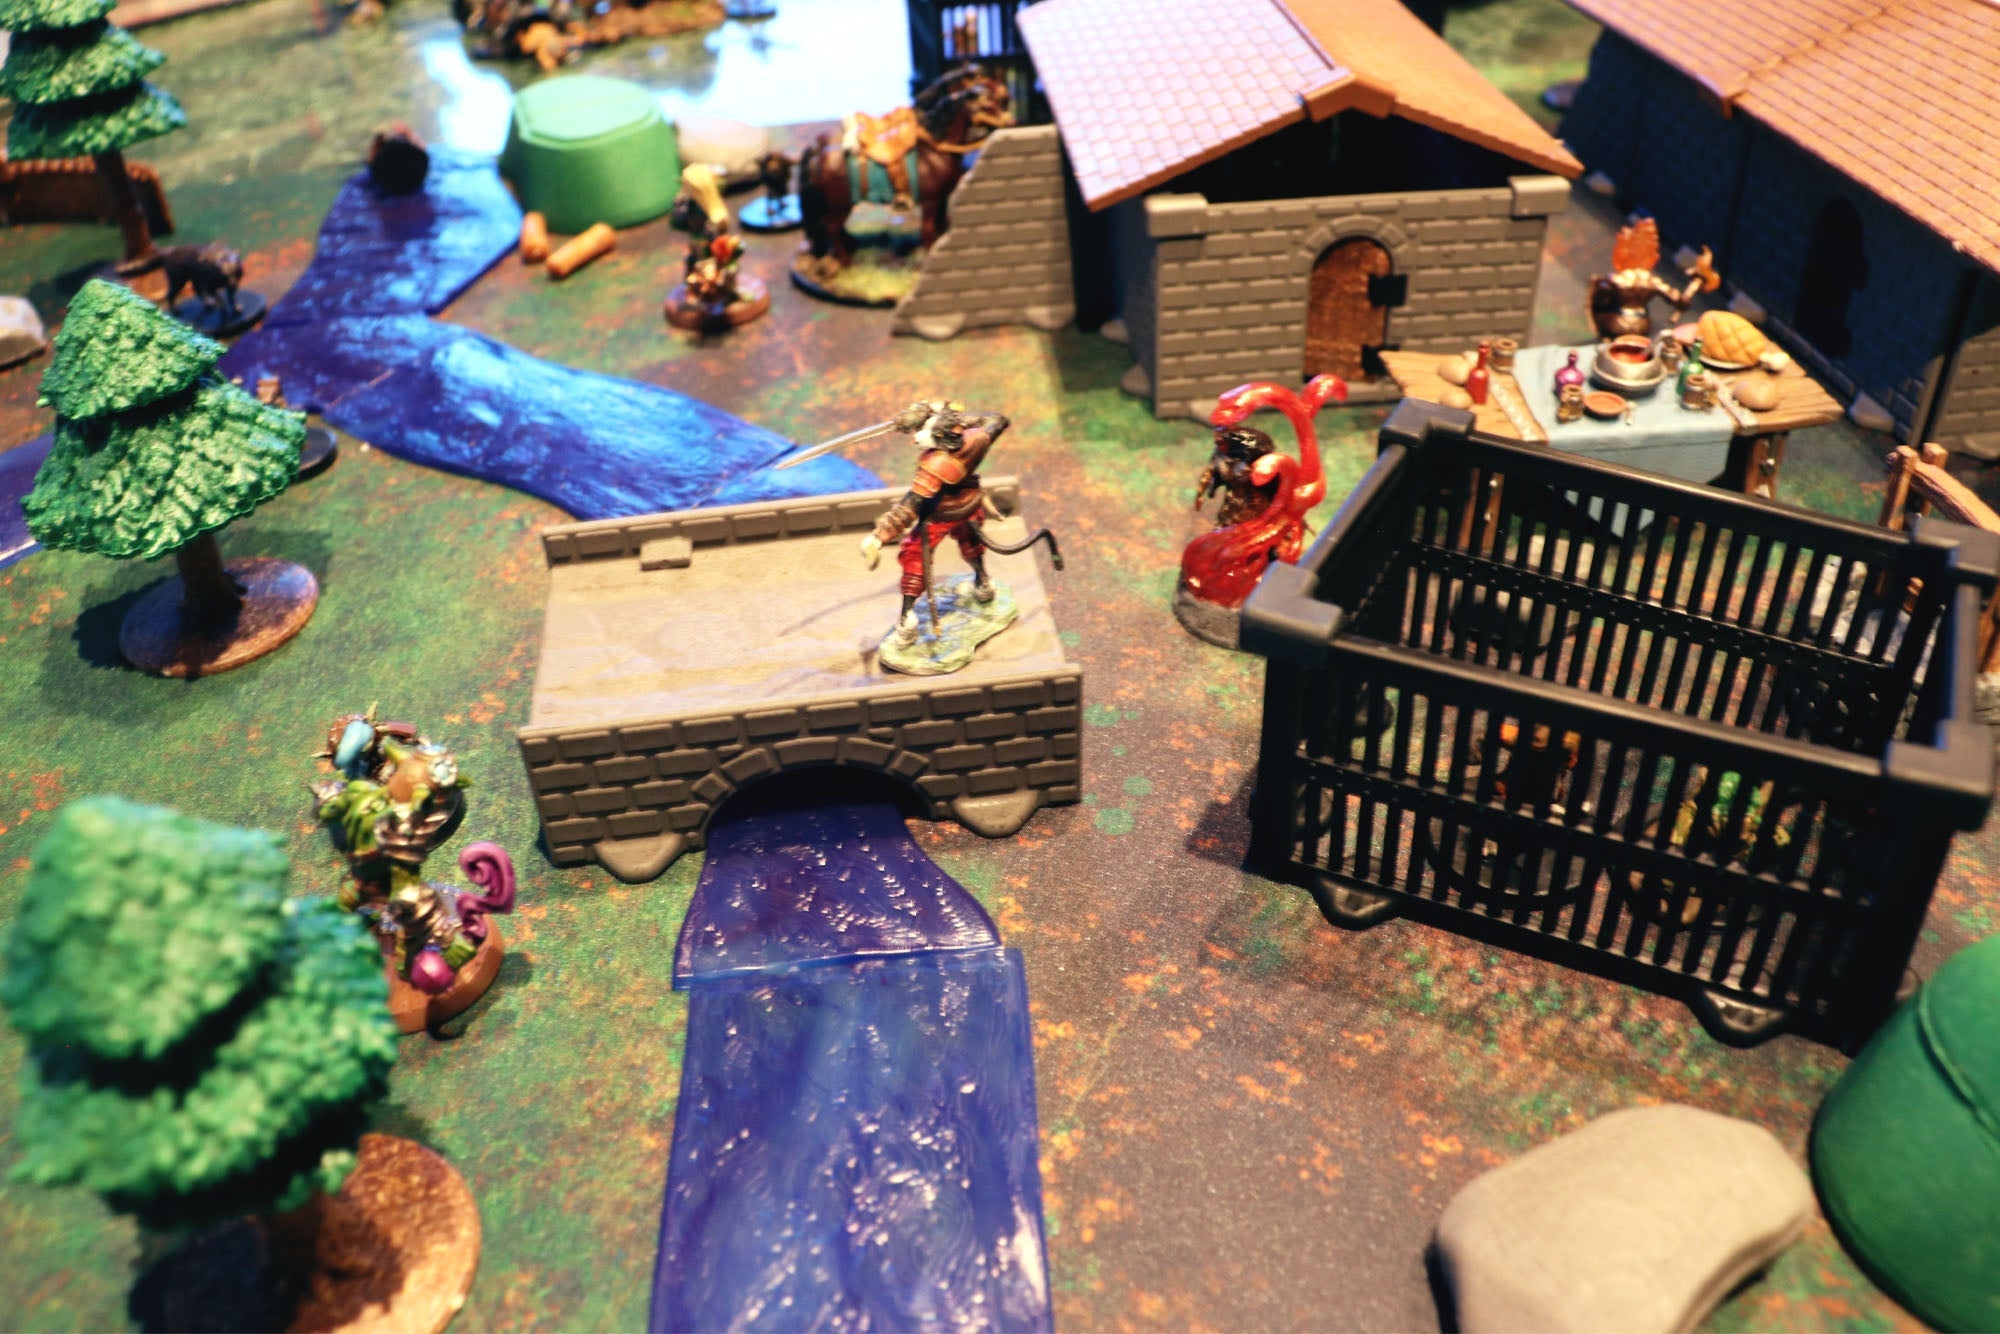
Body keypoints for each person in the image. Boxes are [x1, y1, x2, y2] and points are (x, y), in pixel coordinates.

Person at [860, 401, 1010, 646]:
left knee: (915, 557)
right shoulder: (976, 440)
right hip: (970, 505)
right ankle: (983, 582)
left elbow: (909, 507)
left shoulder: (935, 467)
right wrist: (947, 416)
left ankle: (907, 622)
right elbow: (997, 418)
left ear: (943, 438)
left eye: (927, 431)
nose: (917, 437)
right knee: (971, 542)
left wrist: (879, 536)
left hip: (940, 515)